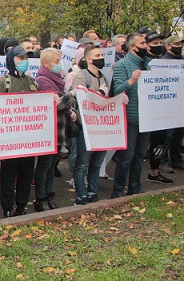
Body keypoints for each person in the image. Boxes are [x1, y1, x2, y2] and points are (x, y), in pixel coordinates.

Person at [0, 46, 45, 217]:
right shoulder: (3, 82)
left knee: (26, 174)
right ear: (11, 60)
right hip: (10, 140)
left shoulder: (32, 82)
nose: (24, 62)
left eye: (26, 59)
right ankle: (7, 208)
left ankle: (22, 206)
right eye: (20, 59)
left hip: (28, 139)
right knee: (8, 176)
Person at [34, 48, 78, 211]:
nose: (60, 65)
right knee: (44, 165)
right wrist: (71, 95)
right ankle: (41, 198)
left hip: (59, 128)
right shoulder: (43, 80)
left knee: (52, 165)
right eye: (56, 62)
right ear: (46, 63)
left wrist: (71, 111)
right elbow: (56, 104)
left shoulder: (57, 78)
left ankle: (49, 194)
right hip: (49, 128)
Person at [111, 33, 151, 198]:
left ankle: (135, 187)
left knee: (140, 155)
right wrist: (131, 81)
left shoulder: (148, 64)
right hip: (130, 118)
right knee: (127, 156)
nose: (146, 46)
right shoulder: (122, 65)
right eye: (142, 43)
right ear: (133, 46)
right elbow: (117, 90)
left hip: (147, 118)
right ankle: (118, 190)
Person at [71, 45, 111, 204]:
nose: (101, 58)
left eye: (102, 54)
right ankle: (81, 196)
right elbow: (82, 101)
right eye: (97, 55)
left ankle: (92, 192)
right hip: (85, 128)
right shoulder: (81, 77)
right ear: (88, 59)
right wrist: (100, 93)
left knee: (96, 164)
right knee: (82, 165)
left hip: (101, 127)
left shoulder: (103, 77)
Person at [143, 31, 173, 185]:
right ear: (146, 45)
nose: (158, 46)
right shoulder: (143, 62)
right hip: (145, 109)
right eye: (154, 44)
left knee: (160, 140)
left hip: (161, 108)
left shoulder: (162, 60)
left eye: (160, 43)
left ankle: (154, 171)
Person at [160, 36, 184, 173]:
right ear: (168, 46)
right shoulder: (164, 62)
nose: (179, 45)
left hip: (180, 101)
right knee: (168, 134)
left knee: (178, 133)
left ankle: (176, 159)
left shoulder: (181, 60)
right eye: (176, 43)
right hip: (169, 102)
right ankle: (163, 161)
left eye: (180, 43)